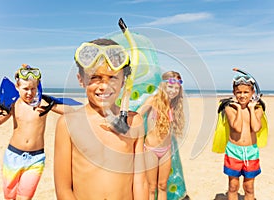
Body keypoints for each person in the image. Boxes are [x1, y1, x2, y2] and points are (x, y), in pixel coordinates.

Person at [54, 38, 147, 200]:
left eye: (112, 78)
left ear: (124, 81)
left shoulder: (134, 122)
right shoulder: (68, 124)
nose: (104, 86)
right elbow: (63, 188)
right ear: (81, 79)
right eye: (95, 77)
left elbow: (140, 182)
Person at [0, 64, 72, 200]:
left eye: (33, 88)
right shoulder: (13, 104)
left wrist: (51, 105)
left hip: (36, 159)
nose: (29, 93)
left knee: (25, 197)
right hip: (13, 157)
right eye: (25, 89)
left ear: (38, 87)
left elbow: (70, 112)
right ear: (17, 87)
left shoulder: (42, 104)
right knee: (9, 196)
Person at [137, 71, 187, 200]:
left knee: (163, 185)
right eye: (170, 87)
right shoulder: (153, 100)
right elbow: (138, 115)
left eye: (176, 88)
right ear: (163, 85)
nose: (173, 91)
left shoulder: (174, 104)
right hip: (151, 150)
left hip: (166, 150)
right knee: (151, 187)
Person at [223, 74, 264, 200]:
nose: (242, 95)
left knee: (249, 187)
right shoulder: (230, 108)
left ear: (252, 92)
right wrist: (240, 109)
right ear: (234, 92)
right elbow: (237, 127)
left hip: (251, 151)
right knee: (233, 186)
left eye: (246, 92)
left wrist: (251, 109)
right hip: (233, 151)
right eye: (238, 92)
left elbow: (256, 128)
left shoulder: (258, 109)